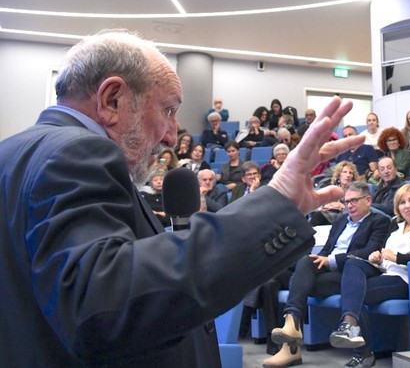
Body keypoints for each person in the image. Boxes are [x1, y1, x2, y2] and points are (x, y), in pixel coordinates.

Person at [0, 30, 367, 367]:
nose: (173, 137)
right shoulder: (78, 152)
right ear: (112, 99)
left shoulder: (12, 153)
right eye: (168, 110)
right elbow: (100, 305)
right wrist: (278, 202)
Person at [265, 182, 389, 368]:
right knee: (303, 264)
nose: (349, 206)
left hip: (353, 271)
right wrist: (320, 258)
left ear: (368, 200)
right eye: (346, 202)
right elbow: (326, 249)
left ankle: (291, 347)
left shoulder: (379, 221)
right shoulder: (340, 220)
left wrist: (330, 261)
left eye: (354, 201)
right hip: (329, 270)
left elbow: (368, 252)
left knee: (297, 282)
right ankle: (291, 321)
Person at [329, 184, 410, 368]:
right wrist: (377, 257)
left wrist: (398, 258)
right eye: (402, 202)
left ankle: (361, 348)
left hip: (409, 279)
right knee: (353, 263)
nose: (406, 206)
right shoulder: (395, 225)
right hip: (386, 273)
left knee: (356, 294)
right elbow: (384, 253)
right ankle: (350, 325)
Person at [308, 161, 359, 226]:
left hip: (343, 215)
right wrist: (325, 205)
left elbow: (358, 208)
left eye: (350, 173)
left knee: (318, 217)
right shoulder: (332, 187)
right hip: (327, 212)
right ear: (338, 175)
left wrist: (342, 206)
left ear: (353, 177)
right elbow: (321, 201)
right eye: (344, 172)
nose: (347, 175)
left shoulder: (355, 190)